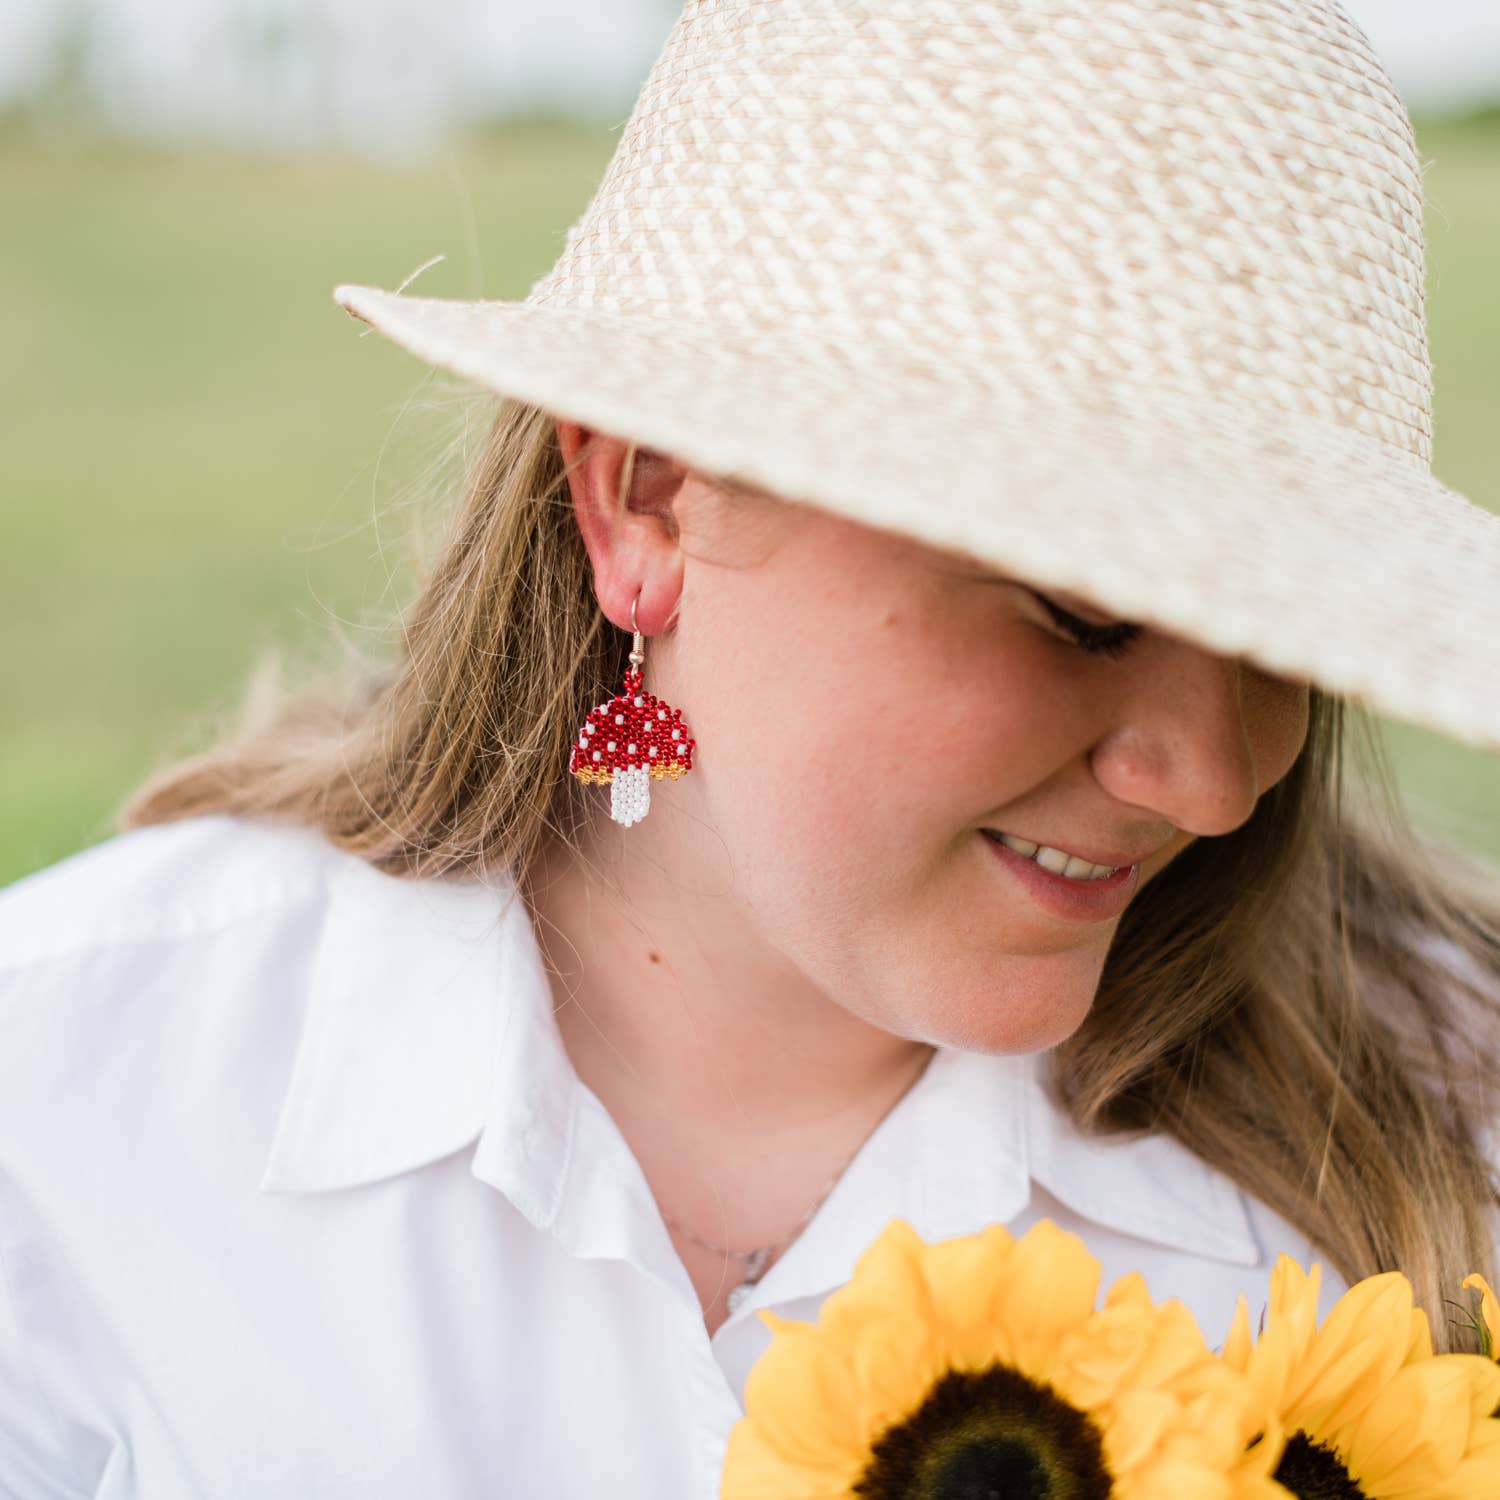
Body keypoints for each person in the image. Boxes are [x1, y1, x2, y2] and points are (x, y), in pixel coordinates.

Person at [3, 0, 1500, 1495]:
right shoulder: (71, 1111)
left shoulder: (1448, 1148)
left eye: (1282, 643)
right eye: (1082, 613)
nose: (1221, 782)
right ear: (648, 506)